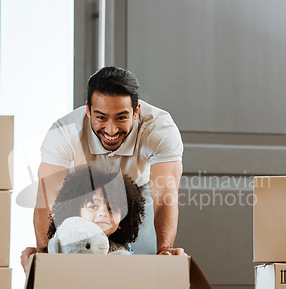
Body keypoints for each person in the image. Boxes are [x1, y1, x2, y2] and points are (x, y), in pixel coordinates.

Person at [21, 66, 184, 271]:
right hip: (85, 192)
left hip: (138, 189)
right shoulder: (63, 133)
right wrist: (44, 252)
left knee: (149, 259)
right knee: (70, 250)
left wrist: (164, 250)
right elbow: (47, 196)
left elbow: (164, 194)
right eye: (101, 117)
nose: (111, 129)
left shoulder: (160, 129)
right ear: (88, 110)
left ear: (136, 112)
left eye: (121, 118)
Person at [46, 166, 145, 254]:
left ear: (122, 220)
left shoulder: (121, 253)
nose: (103, 213)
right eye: (93, 206)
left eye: (111, 208)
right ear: (76, 213)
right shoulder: (64, 245)